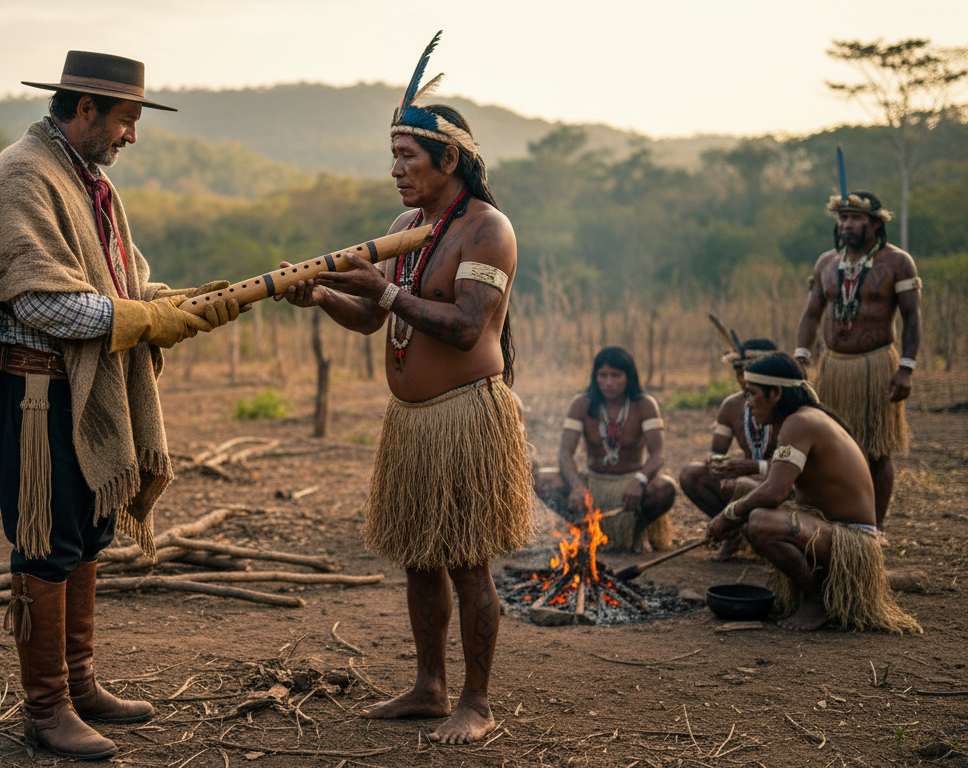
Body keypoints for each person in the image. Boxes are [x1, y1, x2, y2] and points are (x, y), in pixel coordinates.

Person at [0, 51, 240, 760]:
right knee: (46, 543)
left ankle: (80, 683)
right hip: (35, 392)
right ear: (87, 109)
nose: (132, 133)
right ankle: (45, 709)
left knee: (88, 536)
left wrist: (178, 302)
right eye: (127, 118)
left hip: (79, 385)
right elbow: (42, 303)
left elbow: (123, 280)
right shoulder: (22, 176)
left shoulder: (87, 181)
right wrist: (143, 321)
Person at [277, 34, 533, 745]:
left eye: (407, 157)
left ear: (450, 160)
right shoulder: (405, 227)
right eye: (392, 157)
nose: (395, 171)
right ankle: (429, 685)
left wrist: (384, 293)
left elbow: (466, 327)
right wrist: (325, 298)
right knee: (420, 555)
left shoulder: (488, 231)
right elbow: (371, 316)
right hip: (411, 421)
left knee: (467, 560)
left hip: (464, 418)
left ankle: (475, 702)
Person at [705, 353, 921, 633]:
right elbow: (778, 476)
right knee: (749, 496)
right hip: (830, 531)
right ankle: (813, 593)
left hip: (852, 544)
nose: (748, 404)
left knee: (759, 521)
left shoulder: (800, 422)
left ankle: (819, 600)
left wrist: (728, 515)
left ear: (776, 393)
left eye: (752, 394)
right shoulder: (802, 419)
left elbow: (775, 491)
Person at [794, 190, 921, 535]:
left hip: (876, 366)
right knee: (830, 448)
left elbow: (911, 317)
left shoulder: (897, 263)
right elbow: (811, 314)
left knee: (877, 451)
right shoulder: (826, 263)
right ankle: (832, 522)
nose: (846, 225)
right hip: (833, 367)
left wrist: (905, 367)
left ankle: (873, 532)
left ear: (875, 224)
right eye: (842, 218)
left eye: (855, 218)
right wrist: (801, 356)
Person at [536, 347, 676, 553]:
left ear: (629, 377)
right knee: (543, 479)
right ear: (596, 377)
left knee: (665, 487)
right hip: (593, 482)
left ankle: (637, 532)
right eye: (603, 375)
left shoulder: (644, 405)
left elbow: (658, 455)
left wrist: (640, 480)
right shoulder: (581, 404)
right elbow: (565, 454)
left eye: (616, 375)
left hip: (631, 484)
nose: (609, 382)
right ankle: (584, 529)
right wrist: (576, 486)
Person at [678, 337, 778, 559]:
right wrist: (716, 462)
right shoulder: (731, 406)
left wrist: (750, 468)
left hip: (782, 484)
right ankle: (733, 534)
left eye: (748, 371)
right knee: (691, 474)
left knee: (743, 483)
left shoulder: (787, 405)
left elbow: (797, 468)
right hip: (745, 482)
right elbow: (717, 450)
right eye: (738, 371)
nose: (742, 378)